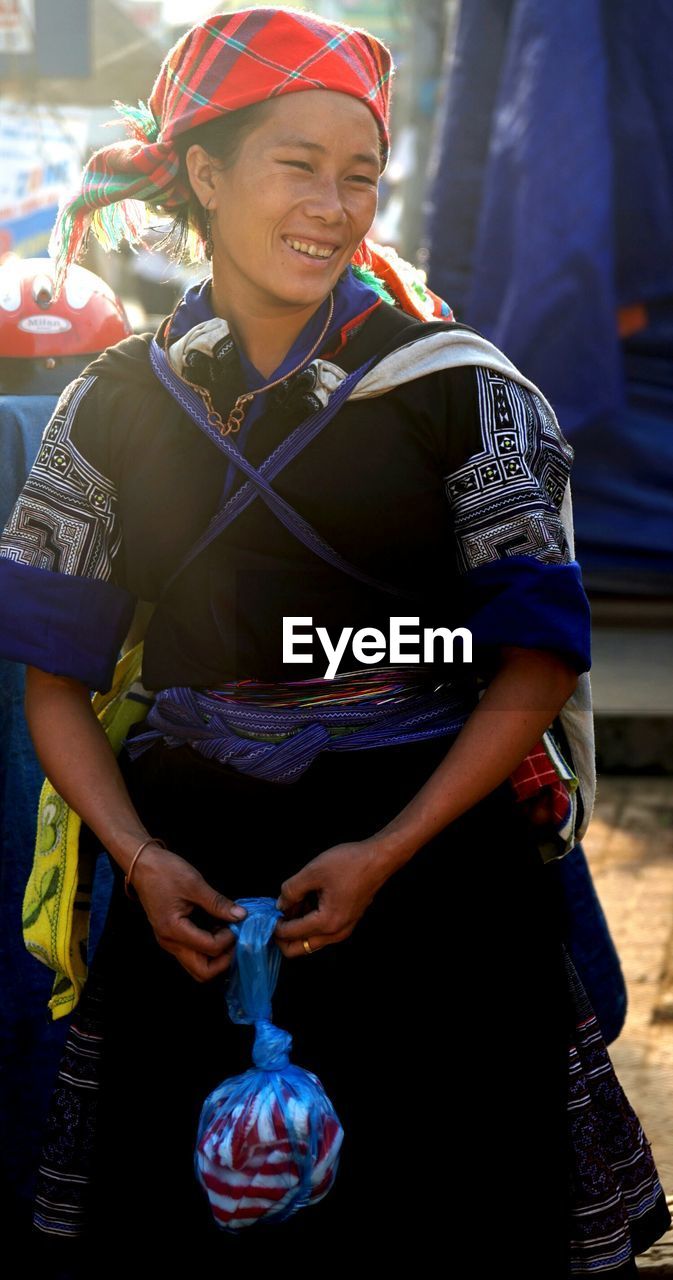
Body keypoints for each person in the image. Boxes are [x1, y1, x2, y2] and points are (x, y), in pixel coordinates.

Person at [0, 8, 668, 1275]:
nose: (335, 204)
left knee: (442, 1218)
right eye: (295, 165)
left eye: (358, 173)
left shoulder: (465, 392)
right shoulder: (110, 409)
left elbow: (533, 661)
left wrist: (390, 849)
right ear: (203, 171)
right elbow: (55, 683)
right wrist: (137, 860)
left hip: (431, 882)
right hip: (192, 901)